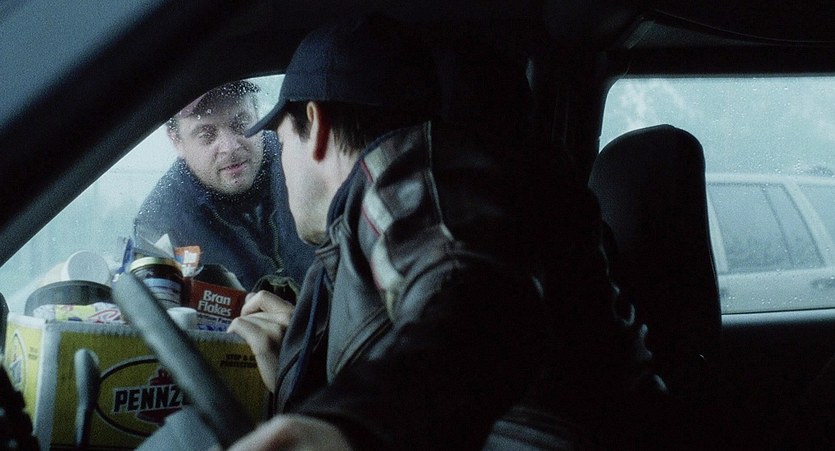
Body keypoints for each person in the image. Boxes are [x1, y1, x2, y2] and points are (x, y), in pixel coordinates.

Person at [227, 15, 663, 451]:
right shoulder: (390, 221)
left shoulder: (414, 175)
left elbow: (476, 303)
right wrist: (295, 368)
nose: (282, 166)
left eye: (283, 142)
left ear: (316, 123)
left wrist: (344, 426)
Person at [134, 81, 315, 291]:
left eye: (241, 124)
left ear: (257, 115)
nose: (230, 147)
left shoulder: (306, 158)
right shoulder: (161, 222)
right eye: (207, 135)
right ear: (177, 141)